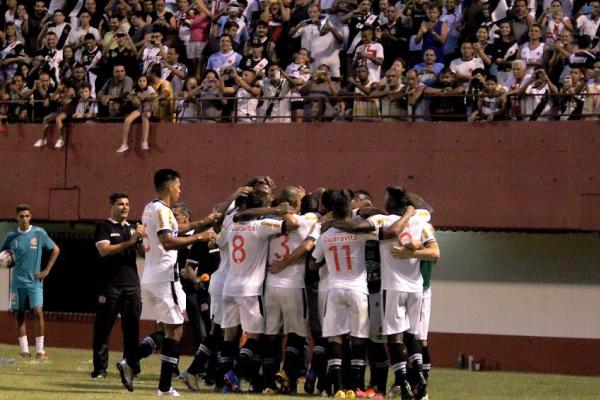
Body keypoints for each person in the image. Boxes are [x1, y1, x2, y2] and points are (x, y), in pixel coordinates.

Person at [116, 169, 219, 395]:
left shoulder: (151, 207)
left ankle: (134, 365)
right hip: (165, 278)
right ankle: (159, 383)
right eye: (178, 186)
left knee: (167, 331)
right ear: (168, 187)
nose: (180, 190)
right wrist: (199, 237)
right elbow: (168, 241)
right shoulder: (163, 210)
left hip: (152, 276)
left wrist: (203, 222)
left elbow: (175, 229)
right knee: (176, 332)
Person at [91, 193, 145, 379]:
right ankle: (100, 370)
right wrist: (130, 241)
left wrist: (140, 240)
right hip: (110, 286)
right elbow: (104, 250)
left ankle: (131, 368)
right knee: (103, 329)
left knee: (132, 329)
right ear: (112, 206)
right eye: (121, 204)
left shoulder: (132, 229)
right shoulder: (104, 226)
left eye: (127, 204)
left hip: (131, 285)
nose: (125, 207)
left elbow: (143, 254)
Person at [1, 204, 60, 359]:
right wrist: (5, 260)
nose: (25, 219)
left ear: (30, 217)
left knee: (38, 312)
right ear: (17, 218)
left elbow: (55, 249)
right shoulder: (11, 236)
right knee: (19, 314)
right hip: (17, 282)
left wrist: (46, 270)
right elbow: (3, 255)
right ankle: (24, 350)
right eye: (22, 216)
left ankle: (40, 350)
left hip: (34, 281)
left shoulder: (39, 233)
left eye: (27, 216)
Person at [117, 75, 157, 153]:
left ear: (147, 82)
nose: (142, 83)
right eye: (140, 81)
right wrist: (133, 98)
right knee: (127, 120)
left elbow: (154, 95)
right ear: (137, 82)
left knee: (145, 116)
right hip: (140, 108)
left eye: (144, 81)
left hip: (148, 107)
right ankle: (124, 144)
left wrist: (145, 97)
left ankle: (145, 141)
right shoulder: (136, 90)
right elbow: (130, 95)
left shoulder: (149, 88)